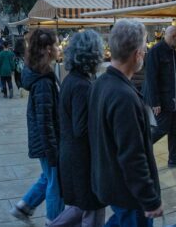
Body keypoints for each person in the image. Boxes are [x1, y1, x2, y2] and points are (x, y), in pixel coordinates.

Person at [89, 20, 162, 226]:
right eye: (145, 47)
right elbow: (132, 156)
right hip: (129, 194)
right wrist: (150, 199)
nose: (145, 53)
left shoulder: (101, 84)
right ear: (137, 54)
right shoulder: (123, 96)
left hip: (112, 186)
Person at [51, 30, 107, 227]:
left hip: (73, 156)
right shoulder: (82, 85)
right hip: (81, 160)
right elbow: (81, 129)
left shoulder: (72, 79)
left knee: (82, 208)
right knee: (92, 209)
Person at [10, 29, 64, 224]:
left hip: (44, 139)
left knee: (49, 176)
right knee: (55, 183)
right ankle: (54, 221)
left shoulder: (42, 75)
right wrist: (52, 150)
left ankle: (24, 207)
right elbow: (45, 120)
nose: (59, 49)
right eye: (56, 45)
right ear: (48, 49)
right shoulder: (42, 81)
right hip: (47, 141)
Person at [144, 26, 176, 169]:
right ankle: (140, 149)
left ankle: (174, 158)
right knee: (163, 128)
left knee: (175, 128)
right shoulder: (156, 51)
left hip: (173, 97)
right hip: (161, 98)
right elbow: (151, 79)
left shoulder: (172, 51)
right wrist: (156, 102)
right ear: (173, 36)